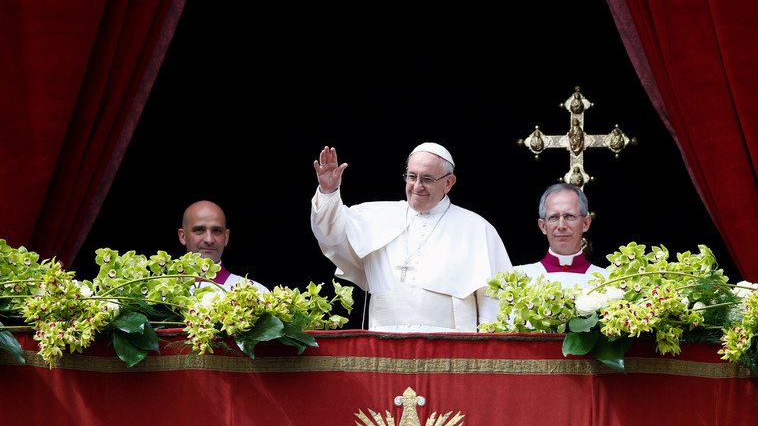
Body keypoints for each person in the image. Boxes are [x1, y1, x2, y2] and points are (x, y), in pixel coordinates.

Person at [310, 142, 512, 332]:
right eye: (411, 176)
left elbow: (493, 300)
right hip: (384, 342)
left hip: (450, 351)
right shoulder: (376, 216)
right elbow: (330, 234)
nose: (417, 186)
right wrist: (329, 192)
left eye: (427, 179)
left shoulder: (477, 228)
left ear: (449, 182)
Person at [516, 183, 606, 288]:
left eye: (570, 216)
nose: (561, 226)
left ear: (585, 223)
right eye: (553, 217)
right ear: (543, 226)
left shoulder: (608, 281)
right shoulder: (519, 279)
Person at [178, 200, 268, 294]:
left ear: (226, 237)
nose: (209, 240)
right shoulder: (164, 288)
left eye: (216, 231)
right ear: (183, 236)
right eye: (199, 230)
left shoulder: (255, 292)